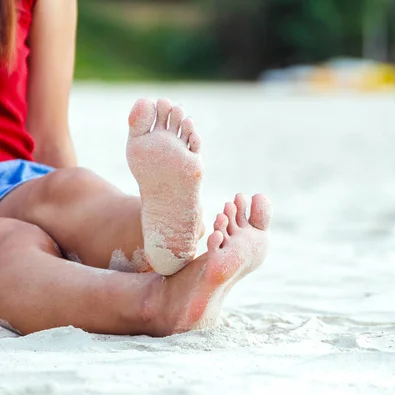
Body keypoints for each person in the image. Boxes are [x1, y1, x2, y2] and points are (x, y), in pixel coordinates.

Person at [0, 0, 272, 337]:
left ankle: (155, 238)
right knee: (14, 242)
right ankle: (159, 299)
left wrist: (74, 241)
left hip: (13, 177)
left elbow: (49, 138)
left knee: (70, 188)